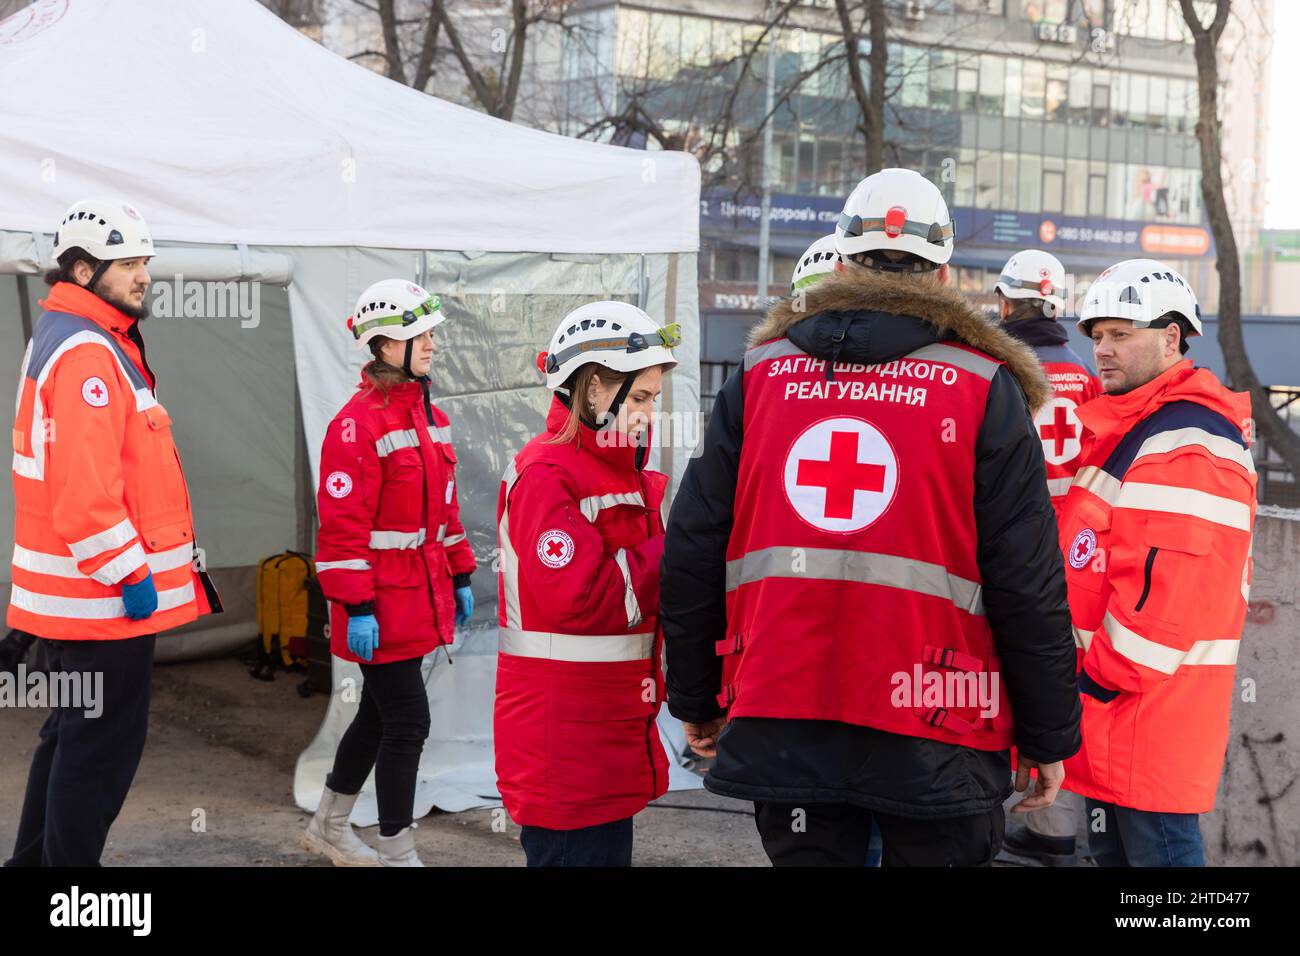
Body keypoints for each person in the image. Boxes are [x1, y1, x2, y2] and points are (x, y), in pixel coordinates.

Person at [661, 168, 1082, 867]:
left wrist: (695, 698)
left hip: (784, 711)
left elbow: (692, 549)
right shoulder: (983, 388)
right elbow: (1027, 582)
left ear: (844, 261)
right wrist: (1048, 735)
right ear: (945, 277)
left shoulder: (760, 377)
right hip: (937, 725)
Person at [6, 199, 218, 866]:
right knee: (98, 756)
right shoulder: (89, 353)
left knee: (69, 738)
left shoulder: (76, 338)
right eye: (127, 264)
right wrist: (132, 575)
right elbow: (85, 497)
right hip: (100, 601)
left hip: (74, 600)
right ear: (81, 267)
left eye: (144, 263)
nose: (143, 276)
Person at [1061, 258, 1256, 867]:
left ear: (1173, 338)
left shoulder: (1186, 442)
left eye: (1122, 334)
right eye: (1097, 336)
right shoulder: (1135, 428)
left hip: (1140, 721)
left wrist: (1088, 684)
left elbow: (1162, 612)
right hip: (1114, 723)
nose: (1103, 350)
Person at [493, 301, 678, 867]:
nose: (650, 414)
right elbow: (587, 597)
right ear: (595, 390)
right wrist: (680, 550)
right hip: (566, 737)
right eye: (641, 398)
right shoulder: (548, 474)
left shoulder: (614, 470)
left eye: (653, 399)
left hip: (602, 727)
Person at [303, 279, 477, 867]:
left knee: (379, 715)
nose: (432, 344)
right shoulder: (356, 426)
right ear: (384, 345)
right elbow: (341, 531)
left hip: (419, 595)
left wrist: (459, 573)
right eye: (420, 335)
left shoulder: (432, 418)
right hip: (379, 604)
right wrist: (356, 607)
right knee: (408, 720)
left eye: (431, 334)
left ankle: (328, 824)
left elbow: (445, 514)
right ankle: (398, 852)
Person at [992, 249, 1100, 865]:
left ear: (1005, 303)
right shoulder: (1085, 372)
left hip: (1009, 544)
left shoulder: (993, 367)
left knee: (992, 671)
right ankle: (1054, 827)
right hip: (1073, 554)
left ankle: (990, 807)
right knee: (1057, 681)